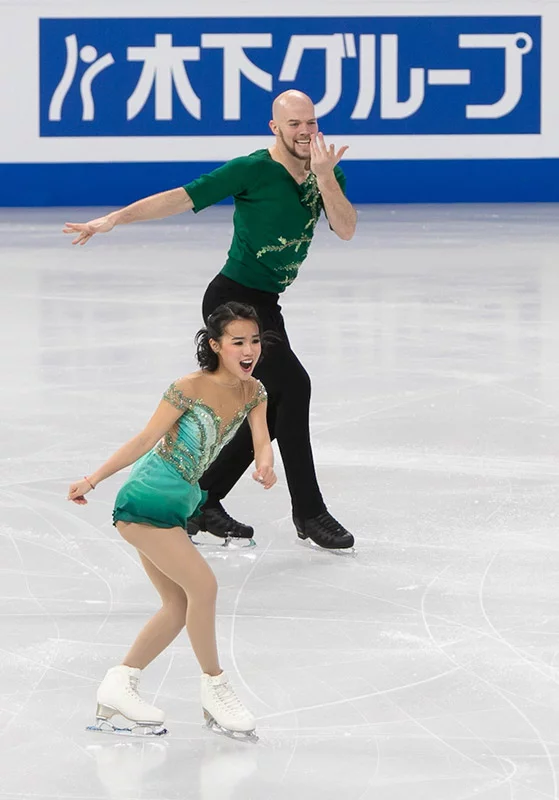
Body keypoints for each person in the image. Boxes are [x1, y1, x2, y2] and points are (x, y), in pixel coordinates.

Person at [63, 89, 357, 552]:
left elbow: (346, 227)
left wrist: (325, 179)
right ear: (274, 128)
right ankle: (309, 512)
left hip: (268, 304)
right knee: (292, 386)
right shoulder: (252, 169)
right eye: (294, 124)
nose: (304, 132)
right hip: (233, 302)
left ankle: (205, 498)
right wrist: (115, 219)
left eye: (310, 123)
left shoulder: (325, 171)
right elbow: (182, 198)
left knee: (276, 397)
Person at [67, 302, 276, 739]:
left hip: (176, 506)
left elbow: (260, 440)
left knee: (179, 606)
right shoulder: (188, 387)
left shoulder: (254, 391)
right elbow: (145, 438)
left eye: (254, 340)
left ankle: (120, 684)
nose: (249, 349)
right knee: (205, 587)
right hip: (146, 500)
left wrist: (265, 465)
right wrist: (92, 479)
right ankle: (215, 688)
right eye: (238, 341)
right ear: (216, 346)